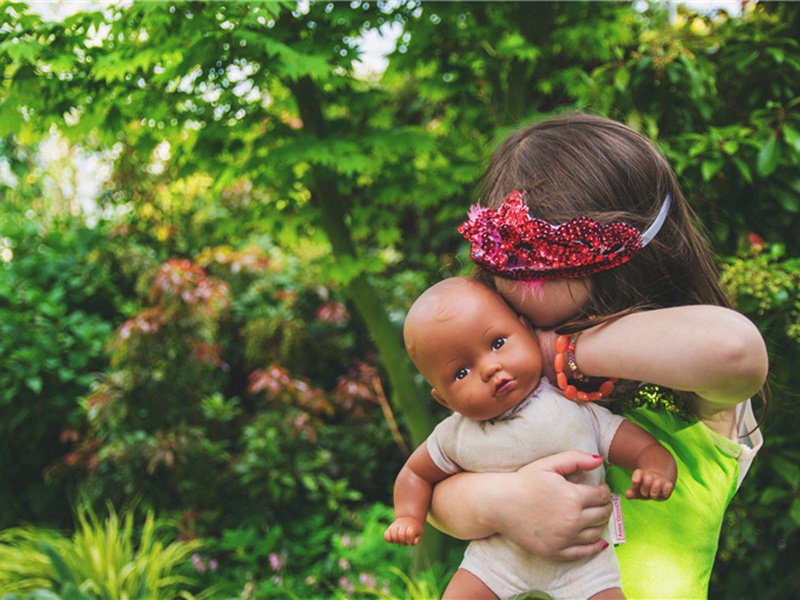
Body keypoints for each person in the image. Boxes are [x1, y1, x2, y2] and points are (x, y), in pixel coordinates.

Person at [427, 112, 769, 599]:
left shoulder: (690, 392)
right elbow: (438, 496)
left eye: (544, 262)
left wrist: (569, 353)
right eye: (510, 260)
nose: (527, 282)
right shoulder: (506, 384)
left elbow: (734, 351)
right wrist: (503, 502)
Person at [384, 276, 677, 600]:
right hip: (498, 559)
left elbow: (641, 446)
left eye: (497, 343)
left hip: (584, 559)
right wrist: (408, 516)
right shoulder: (456, 434)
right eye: (461, 373)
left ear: (526, 330)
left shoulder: (572, 407)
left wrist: (655, 469)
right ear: (444, 400)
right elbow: (415, 473)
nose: (490, 368)